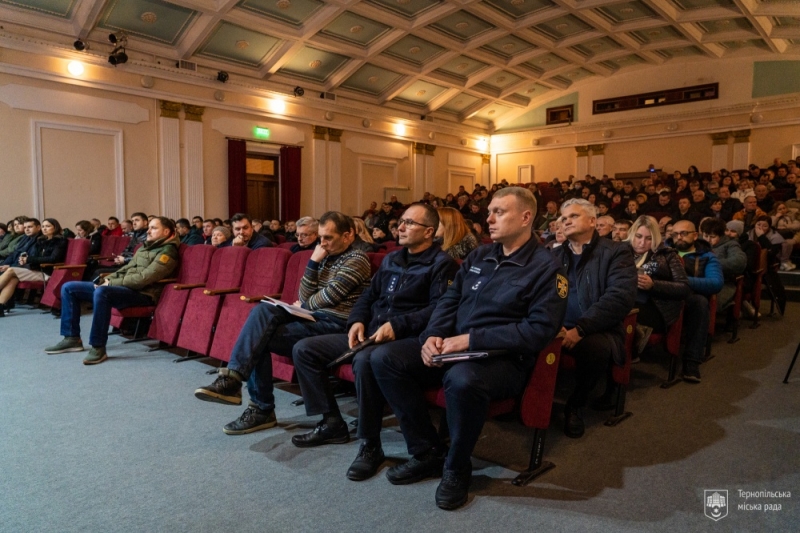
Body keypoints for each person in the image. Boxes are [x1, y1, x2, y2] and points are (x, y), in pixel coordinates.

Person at [370, 187, 566, 510]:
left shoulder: (547, 268)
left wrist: (472, 340)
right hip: (454, 346)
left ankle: (457, 467)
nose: (488, 218)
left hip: (503, 361)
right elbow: (449, 300)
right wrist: (432, 335)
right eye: (489, 211)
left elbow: (538, 331)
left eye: (499, 212)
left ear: (526, 217)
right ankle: (428, 451)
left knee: (462, 379)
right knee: (384, 358)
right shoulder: (480, 255)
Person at [290, 204, 458, 481]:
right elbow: (368, 297)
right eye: (401, 222)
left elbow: (439, 310)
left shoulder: (442, 265)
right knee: (305, 349)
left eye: (409, 223)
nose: (400, 227)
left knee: (367, 360)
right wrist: (357, 320)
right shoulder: (392, 259)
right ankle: (331, 422)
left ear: (429, 232)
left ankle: (370, 444)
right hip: (372, 334)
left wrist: (398, 325)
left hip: (406, 339)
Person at [193, 212, 372, 435]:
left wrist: (312, 268)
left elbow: (327, 298)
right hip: (315, 319)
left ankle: (257, 405)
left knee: (260, 338)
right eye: (321, 237)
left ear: (348, 235)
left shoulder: (357, 259)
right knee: (262, 311)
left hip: (338, 325)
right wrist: (314, 263)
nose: (322, 243)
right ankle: (237, 384)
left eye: (328, 238)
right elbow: (305, 292)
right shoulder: (324, 257)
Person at [552, 199, 637, 438]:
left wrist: (580, 329)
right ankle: (526, 401)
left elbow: (620, 297)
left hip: (597, 327)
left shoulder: (615, 251)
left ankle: (575, 405)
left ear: (592, 221)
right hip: (557, 325)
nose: (566, 220)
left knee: (596, 348)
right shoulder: (555, 255)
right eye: (563, 217)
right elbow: (540, 294)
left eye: (573, 216)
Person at [44, 217, 181, 364]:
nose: (148, 230)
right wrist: (105, 280)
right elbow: (126, 268)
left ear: (166, 232)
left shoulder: (168, 252)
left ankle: (98, 346)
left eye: (154, 228)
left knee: (102, 292)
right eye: (150, 227)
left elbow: (144, 278)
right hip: (124, 287)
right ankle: (72, 338)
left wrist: (110, 284)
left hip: (144, 293)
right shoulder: (145, 247)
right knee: (69, 287)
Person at [625, 216, 689, 358]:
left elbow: (684, 287)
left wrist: (654, 285)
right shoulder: (619, 251)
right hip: (624, 300)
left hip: (656, 307)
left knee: (616, 313)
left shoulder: (667, 255)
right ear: (632, 234)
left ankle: (624, 359)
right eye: (639, 236)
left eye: (649, 238)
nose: (642, 242)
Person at [671, 220, 724, 383]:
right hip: (664, 293)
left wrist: (684, 281)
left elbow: (716, 283)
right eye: (675, 234)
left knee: (700, 303)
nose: (679, 237)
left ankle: (692, 361)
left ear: (695, 235)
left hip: (690, 297)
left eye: (684, 233)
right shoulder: (665, 251)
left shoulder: (707, 256)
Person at [0, 218, 67, 316]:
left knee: (10, 270)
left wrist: (29, 259)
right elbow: (35, 257)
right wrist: (25, 260)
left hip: (49, 272)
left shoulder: (60, 240)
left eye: (47, 226)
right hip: (36, 269)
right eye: (43, 226)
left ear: (55, 227)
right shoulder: (42, 240)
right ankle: (0, 306)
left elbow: (53, 259)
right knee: (13, 278)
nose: (45, 229)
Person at [700, 218, 747, 310]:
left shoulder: (731, 244)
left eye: (712, 237)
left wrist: (711, 265)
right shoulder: (699, 243)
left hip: (723, 283)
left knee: (703, 303)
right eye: (705, 236)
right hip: (700, 280)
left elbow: (739, 261)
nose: (708, 240)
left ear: (721, 235)